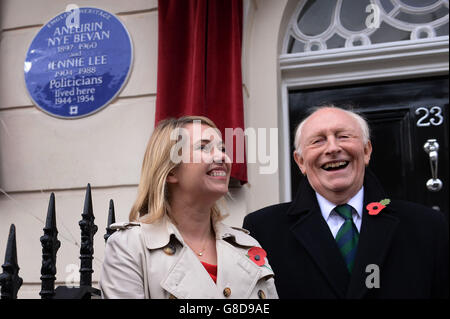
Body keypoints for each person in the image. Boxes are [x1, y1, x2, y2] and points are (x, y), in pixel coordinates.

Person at [243, 106, 449, 299]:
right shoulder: (263, 231)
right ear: (300, 162)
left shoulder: (428, 226)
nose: (332, 148)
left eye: (343, 136)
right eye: (318, 141)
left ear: (367, 151)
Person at [100, 116, 278, 299]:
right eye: (203, 147)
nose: (222, 156)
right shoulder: (130, 247)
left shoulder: (248, 247)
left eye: (222, 148)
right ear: (171, 171)